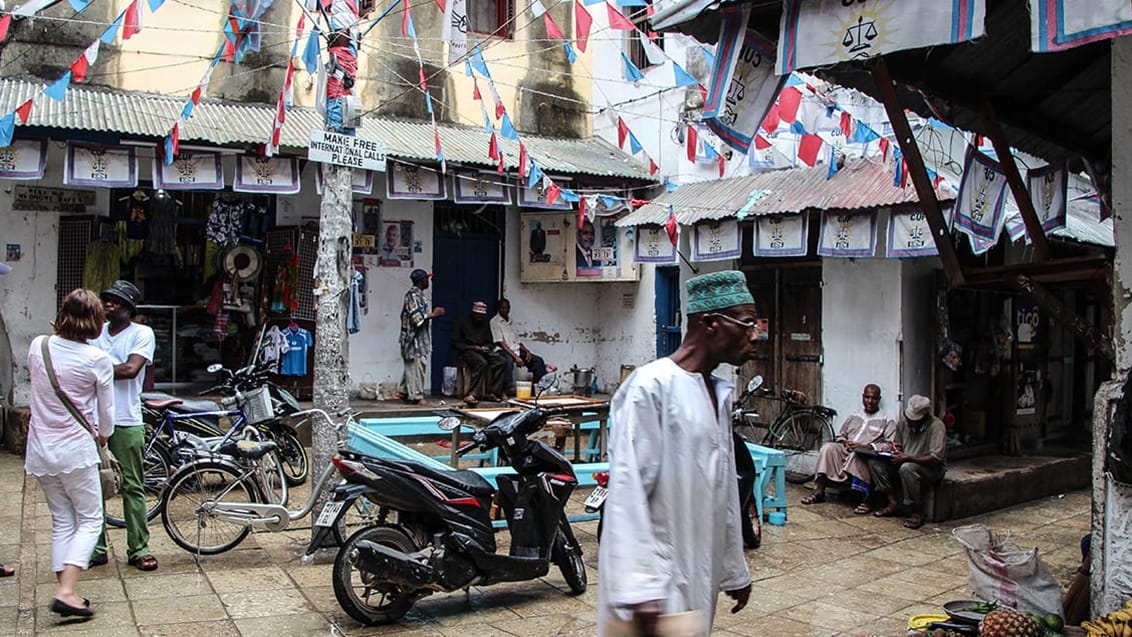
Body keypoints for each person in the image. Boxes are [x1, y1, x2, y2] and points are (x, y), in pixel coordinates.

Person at [598, 270, 755, 636]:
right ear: (711, 323)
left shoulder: (717, 393)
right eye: (746, 324)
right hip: (654, 585)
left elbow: (725, 494)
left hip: (699, 571)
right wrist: (639, 587)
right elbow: (626, 490)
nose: (755, 336)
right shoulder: (650, 388)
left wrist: (734, 567)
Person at [26, 289, 115, 618]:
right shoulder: (96, 360)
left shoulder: (40, 346)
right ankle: (66, 590)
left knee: (63, 520)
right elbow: (107, 418)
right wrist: (104, 435)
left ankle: (69, 592)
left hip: (39, 448)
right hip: (75, 450)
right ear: (96, 321)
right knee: (91, 520)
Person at [89, 280, 159, 572]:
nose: (108, 305)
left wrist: (94, 369)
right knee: (93, 488)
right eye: (106, 300)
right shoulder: (95, 335)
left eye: (116, 301)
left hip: (127, 419)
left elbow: (131, 370)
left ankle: (139, 547)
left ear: (129, 308)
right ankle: (96, 548)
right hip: (93, 420)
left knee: (132, 486)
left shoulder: (142, 334)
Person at [801, 383, 895, 513]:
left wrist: (867, 446)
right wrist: (844, 442)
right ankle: (819, 492)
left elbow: (890, 444)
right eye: (867, 397)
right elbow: (841, 434)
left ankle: (866, 499)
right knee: (827, 449)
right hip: (847, 449)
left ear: (879, 399)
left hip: (865, 453)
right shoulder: (854, 415)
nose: (869, 401)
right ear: (863, 397)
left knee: (856, 456)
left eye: (873, 398)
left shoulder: (887, 419)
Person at [867, 394, 947, 529]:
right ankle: (893, 502)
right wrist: (895, 451)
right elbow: (898, 444)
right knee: (875, 463)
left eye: (914, 420)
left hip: (930, 469)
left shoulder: (936, 426)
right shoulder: (904, 422)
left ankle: (916, 512)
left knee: (907, 468)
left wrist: (908, 457)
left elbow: (935, 457)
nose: (910, 421)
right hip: (905, 461)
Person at [396, 269, 444, 405]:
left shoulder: (418, 295)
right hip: (413, 339)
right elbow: (416, 318)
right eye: (426, 279)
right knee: (416, 366)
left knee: (413, 366)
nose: (428, 281)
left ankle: (404, 392)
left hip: (418, 338)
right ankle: (416, 396)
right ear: (422, 280)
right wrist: (434, 314)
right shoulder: (412, 296)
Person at [490, 298, 554, 395]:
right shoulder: (494, 321)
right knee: (508, 361)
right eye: (502, 308)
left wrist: (527, 351)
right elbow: (500, 343)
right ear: (498, 309)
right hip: (502, 350)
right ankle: (506, 390)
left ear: (509, 308)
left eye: (506, 308)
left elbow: (517, 341)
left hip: (516, 349)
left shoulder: (511, 321)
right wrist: (515, 357)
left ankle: (539, 388)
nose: (504, 310)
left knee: (537, 360)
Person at [452, 300, 505, 405]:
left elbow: (490, 342)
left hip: (482, 351)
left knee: (501, 361)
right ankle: (473, 394)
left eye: (482, 316)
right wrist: (472, 347)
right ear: (473, 313)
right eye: (477, 315)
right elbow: (455, 343)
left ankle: (493, 392)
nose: (479, 318)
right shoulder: (462, 322)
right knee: (481, 363)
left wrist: (486, 348)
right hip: (467, 351)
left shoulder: (485, 323)